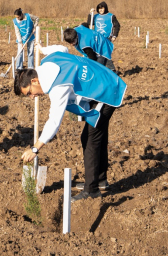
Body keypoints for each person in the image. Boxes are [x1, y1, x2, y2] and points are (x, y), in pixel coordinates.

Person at [16, 45, 127, 200]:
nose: (32, 97)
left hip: (106, 91)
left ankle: (91, 190)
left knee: (90, 139)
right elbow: (62, 49)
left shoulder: (58, 87)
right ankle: (99, 180)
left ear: (34, 80)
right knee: (96, 134)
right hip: (105, 80)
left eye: (29, 92)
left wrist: (35, 149)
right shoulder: (49, 60)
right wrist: (43, 50)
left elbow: (54, 121)